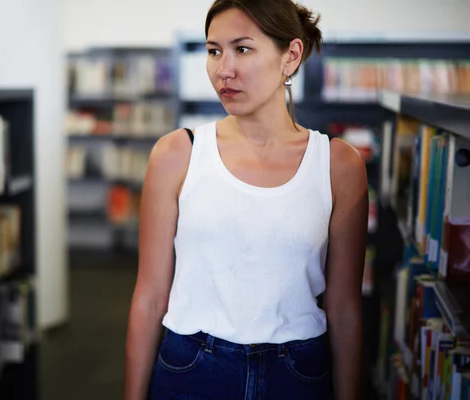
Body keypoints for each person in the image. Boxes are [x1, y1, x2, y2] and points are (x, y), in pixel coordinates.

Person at [124, 0, 368, 398]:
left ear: (290, 56)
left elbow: (344, 309)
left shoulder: (338, 165)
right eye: (214, 50)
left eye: (243, 48)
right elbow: (150, 297)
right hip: (191, 367)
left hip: (298, 373)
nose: (224, 70)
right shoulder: (177, 154)